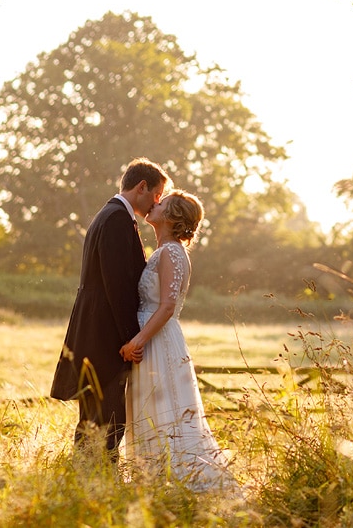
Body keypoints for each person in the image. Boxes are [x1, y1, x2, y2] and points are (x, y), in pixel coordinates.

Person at [49, 158, 170, 455]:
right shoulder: (116, 219)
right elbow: (118, 287)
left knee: (96, 416)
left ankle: (88, 478)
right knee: (108, 416)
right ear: (142, 187)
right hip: (104, 335)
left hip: (96, 329)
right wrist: (132, 338)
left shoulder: (111, 214)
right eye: (157, 194)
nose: (157, 202)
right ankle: (96, 478)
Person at [119, 190, 237, 492]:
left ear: (170, 218)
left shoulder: (172, 252)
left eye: (161, 203)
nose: (154, 204)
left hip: (156, 339)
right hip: (155, 336)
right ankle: (155, 481)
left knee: (166, 407)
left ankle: (183, 482)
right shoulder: (165, 250)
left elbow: (168, 306)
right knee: (153, 407)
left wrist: (139, 340)